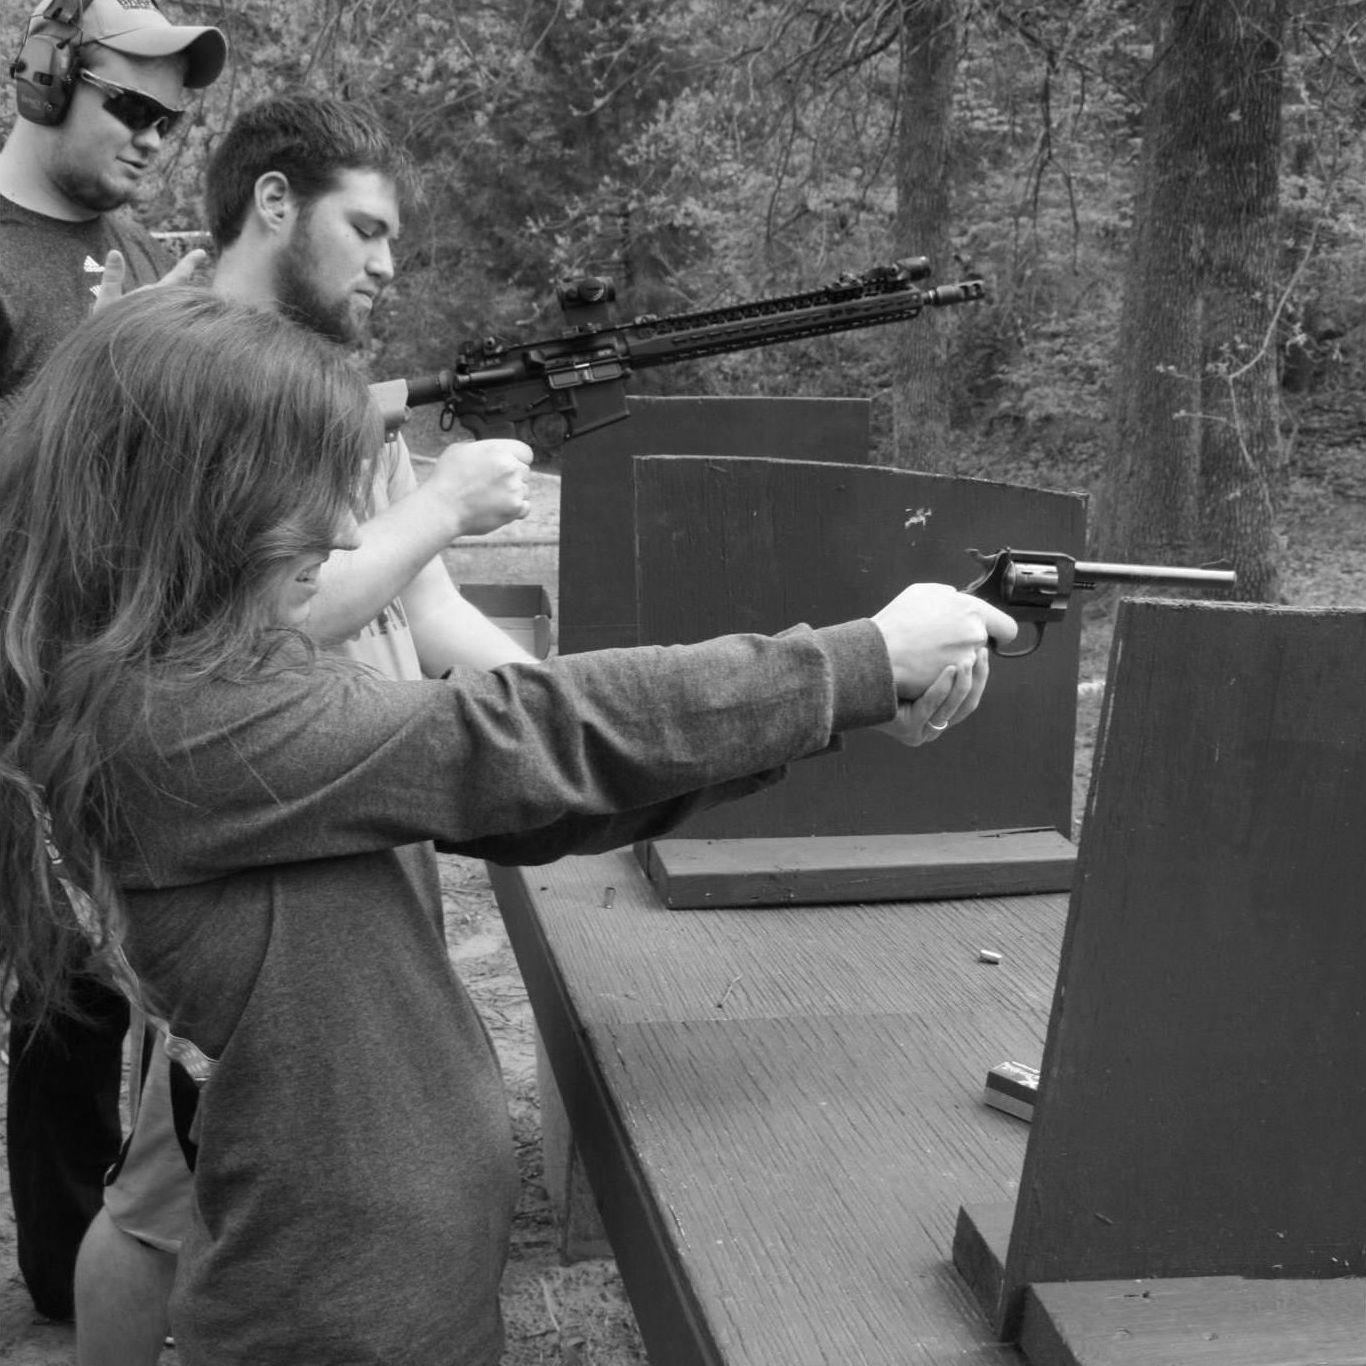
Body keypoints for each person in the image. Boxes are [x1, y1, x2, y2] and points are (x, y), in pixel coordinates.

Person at [0, 286, 1014, 1363]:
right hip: (332, 1318)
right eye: (298, 498)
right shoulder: (175, 727)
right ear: (187, 507)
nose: (344, 531)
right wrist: (853, 660)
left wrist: (842, 708)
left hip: (385, 1285)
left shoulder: (221, 687)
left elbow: (525, 802)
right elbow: (515, 732)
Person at [70, 94, 542, 1363]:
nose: (388, 265)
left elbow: (428, 613)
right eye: (367, 230)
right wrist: (439, 507)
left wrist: (569, 723)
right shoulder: (172, 381)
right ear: (275, 203)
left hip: (354, 820)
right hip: (234, 862)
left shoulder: (336, 392)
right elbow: (239, 637)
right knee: (157, 1205)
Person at [0, 0, 227, 1323]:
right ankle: (74, 1281)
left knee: (158, 978)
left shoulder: (135, 249)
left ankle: (146, 1256)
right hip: (28, 699)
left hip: (140, 678)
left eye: (173, 123)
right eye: (130, 108)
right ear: (42, 79)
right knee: (69, 991)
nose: (154, 139)